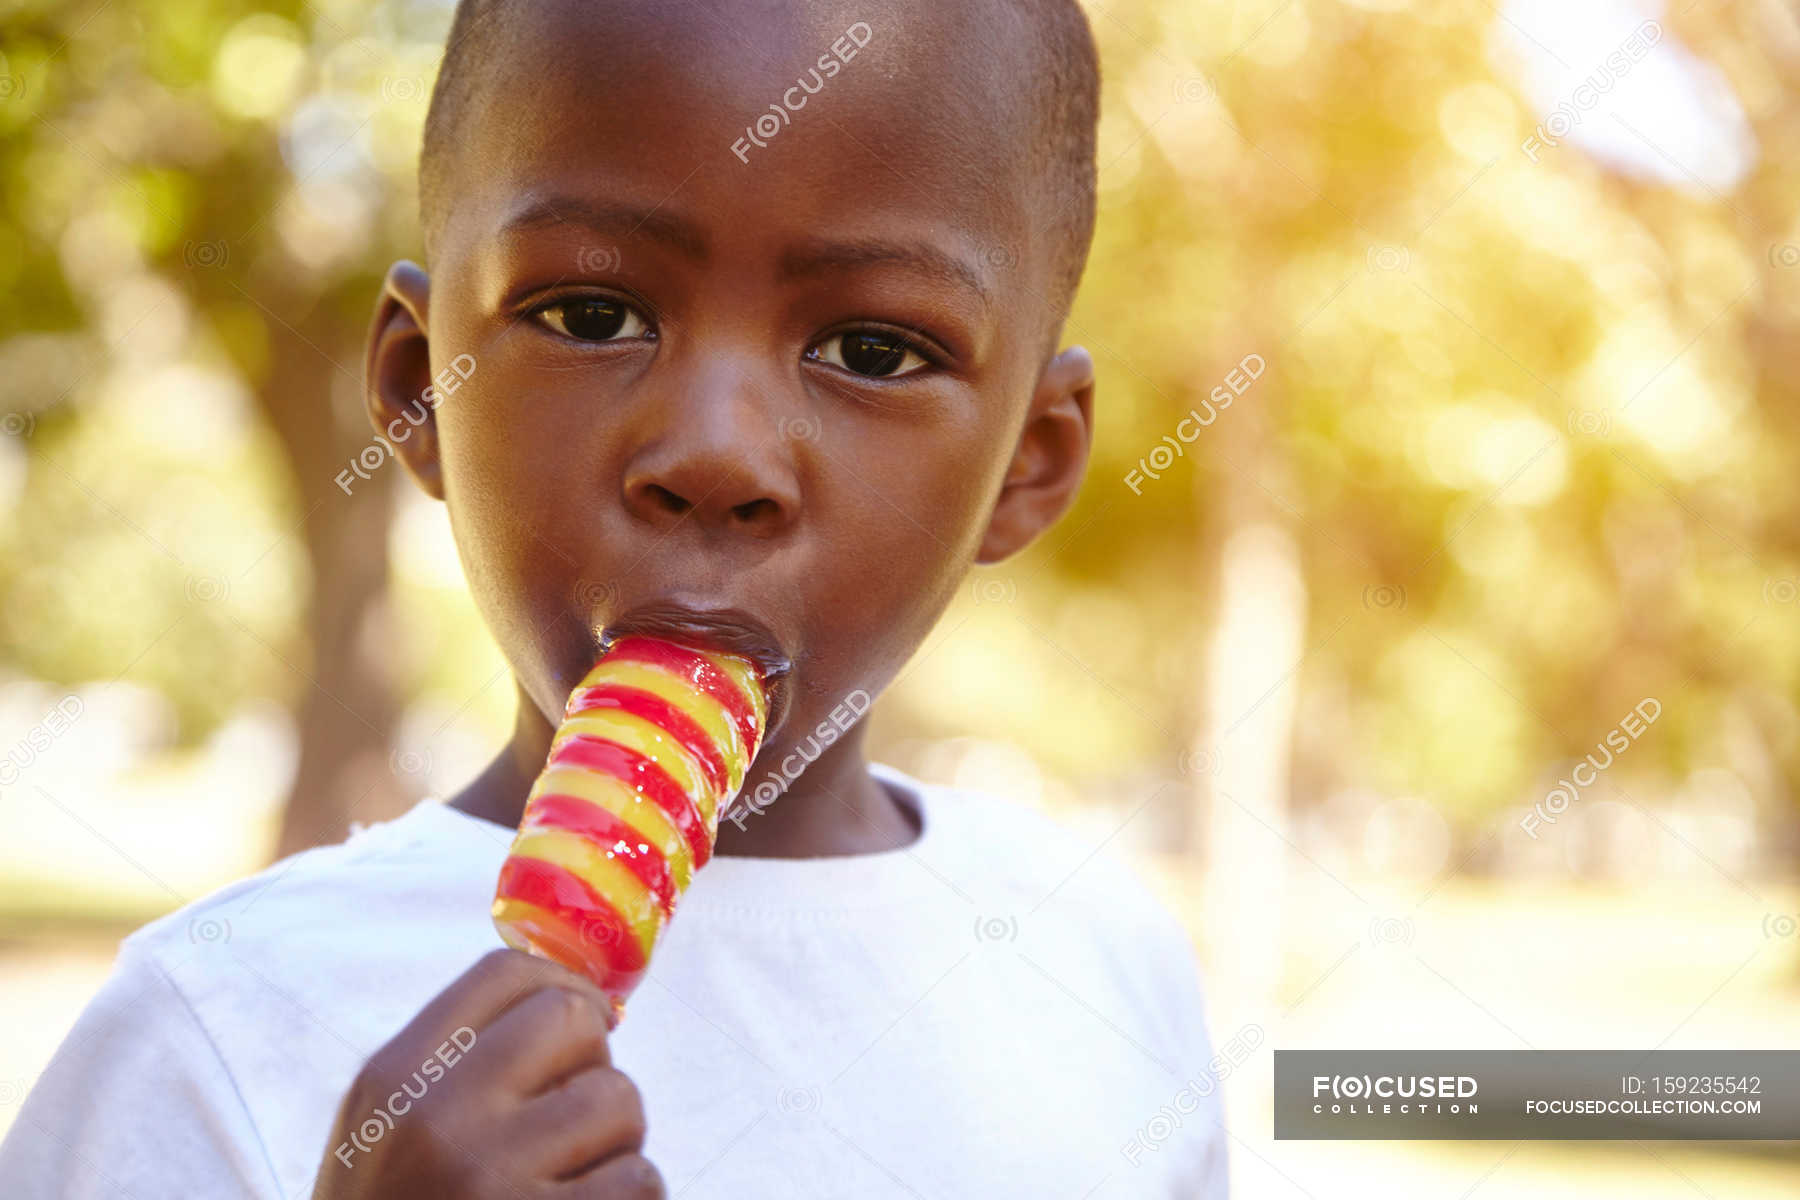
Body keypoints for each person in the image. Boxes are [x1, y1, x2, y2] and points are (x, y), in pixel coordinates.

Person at [0, 1, 1229, 1195]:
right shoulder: (211, 1031)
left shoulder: (1102, 970)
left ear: (1029, 461)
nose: (716, 454)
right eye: (593, 315)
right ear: (419, 387)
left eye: (871, 351)